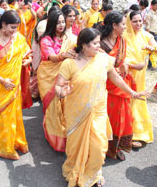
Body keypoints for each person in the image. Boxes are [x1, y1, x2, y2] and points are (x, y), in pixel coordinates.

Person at [54, 28, 148, 187]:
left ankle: (93, 174)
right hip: (76, 113)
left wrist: (132, 92)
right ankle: (76, 170)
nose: (99, 46)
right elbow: (58, 86)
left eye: (99, 42)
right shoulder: (69, 63)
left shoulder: (103, 59)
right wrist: (62, 93)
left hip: (98, 111)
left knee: (98, 147)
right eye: (95, 43)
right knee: (76, 148)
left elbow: (115, 77)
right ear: (83, 45)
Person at [0, 10, 32, 160]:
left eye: (17, 27)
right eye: (12, 27)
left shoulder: (17, 37)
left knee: (13, 116)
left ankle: (14, 141)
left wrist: (27, 61)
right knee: (0, 116)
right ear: (3, 24)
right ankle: (0, 146)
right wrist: (2, 80)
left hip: (13, 85)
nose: (15, 31)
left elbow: (27, 53)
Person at [37, 9, 76, 152]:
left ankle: (65, 135)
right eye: (57, 22)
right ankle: (54, 138)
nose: (60, 25)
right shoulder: (46, 40)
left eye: (62, 22)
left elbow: (80, 46)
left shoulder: (69, 38)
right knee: (53, 108)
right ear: (51, 24)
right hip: (48, 76)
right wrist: (64, 55)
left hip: (64, 76)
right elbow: (52, 57)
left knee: (64, 106)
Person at [100, 11, 136, 161]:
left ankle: (118, 146)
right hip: (106, 86)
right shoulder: (100, 43)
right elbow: (100, 67)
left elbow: (123, 59)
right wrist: (117, 70)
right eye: (123, 24)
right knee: (107, 118)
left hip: (121, 84)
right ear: (114, 25)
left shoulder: (122, 41)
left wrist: (125, 64)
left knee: (124, 117)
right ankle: (104, 147)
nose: (125, 27)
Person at [124, 11, 157, 146]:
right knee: (127, 101)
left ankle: (138, 134)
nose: (138, 24)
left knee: (138, 101)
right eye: (135, 21)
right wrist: (132, 65)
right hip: (126, 75)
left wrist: (152, 48)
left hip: (141, 76)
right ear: (129, 22)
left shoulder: (146, 35)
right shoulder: (123, 36)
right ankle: (125, 134)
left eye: (140, 21)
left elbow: (154, 45)